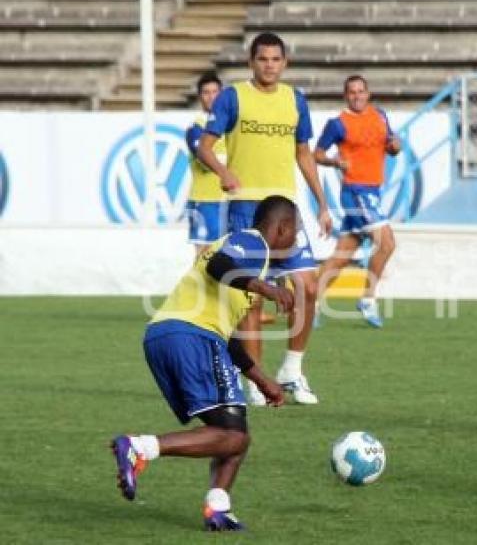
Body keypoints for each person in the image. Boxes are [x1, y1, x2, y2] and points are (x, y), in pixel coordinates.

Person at [111, 195, 300, 531]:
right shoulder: (252, 243)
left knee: (234, 431)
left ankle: (218, 507)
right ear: (282, 228)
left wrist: (260, 378)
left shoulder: (244, 258)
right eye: (296, 232)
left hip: (169, 335)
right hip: (192, 336)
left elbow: (228, 336)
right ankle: (140, 447)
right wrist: (266, 288)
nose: (296, 241)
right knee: (234, 437)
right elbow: (217, 266)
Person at [197, 31, 333, 406]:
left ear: (284, 62)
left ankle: (292, 370)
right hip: (246, 208)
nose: (269, 65)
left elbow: (303, 153)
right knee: (251, 299)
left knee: (307, 285)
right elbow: (205, 147)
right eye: (263, 59)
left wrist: (322, 202)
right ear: (251, 62)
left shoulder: (295, 100)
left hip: (285, 209)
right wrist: (224, 173)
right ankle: (256, 382)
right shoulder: (233, 97)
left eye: (276, 59)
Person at [314, 75, 401, 327]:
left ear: (368, 93)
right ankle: (368, 298)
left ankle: (311, 302)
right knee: (387, 243)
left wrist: (396, 146)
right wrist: (334, 162)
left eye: (361, 91)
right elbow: (317, 154)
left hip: (373, 191)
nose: (357, 96)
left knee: (342, 255)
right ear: (345, 95)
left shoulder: (380, 116)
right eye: (352, 92)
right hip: (355, 191)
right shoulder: (338, 124)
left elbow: (391, 146)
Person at [184, 71, 227, 256]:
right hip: (205, 202)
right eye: (206, 92)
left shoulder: (230, 127)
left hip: (229, 201)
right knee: (204, 257)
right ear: (200, 97)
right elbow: (204, 159)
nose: (211, 97)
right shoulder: (196, 128)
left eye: (214, 92)